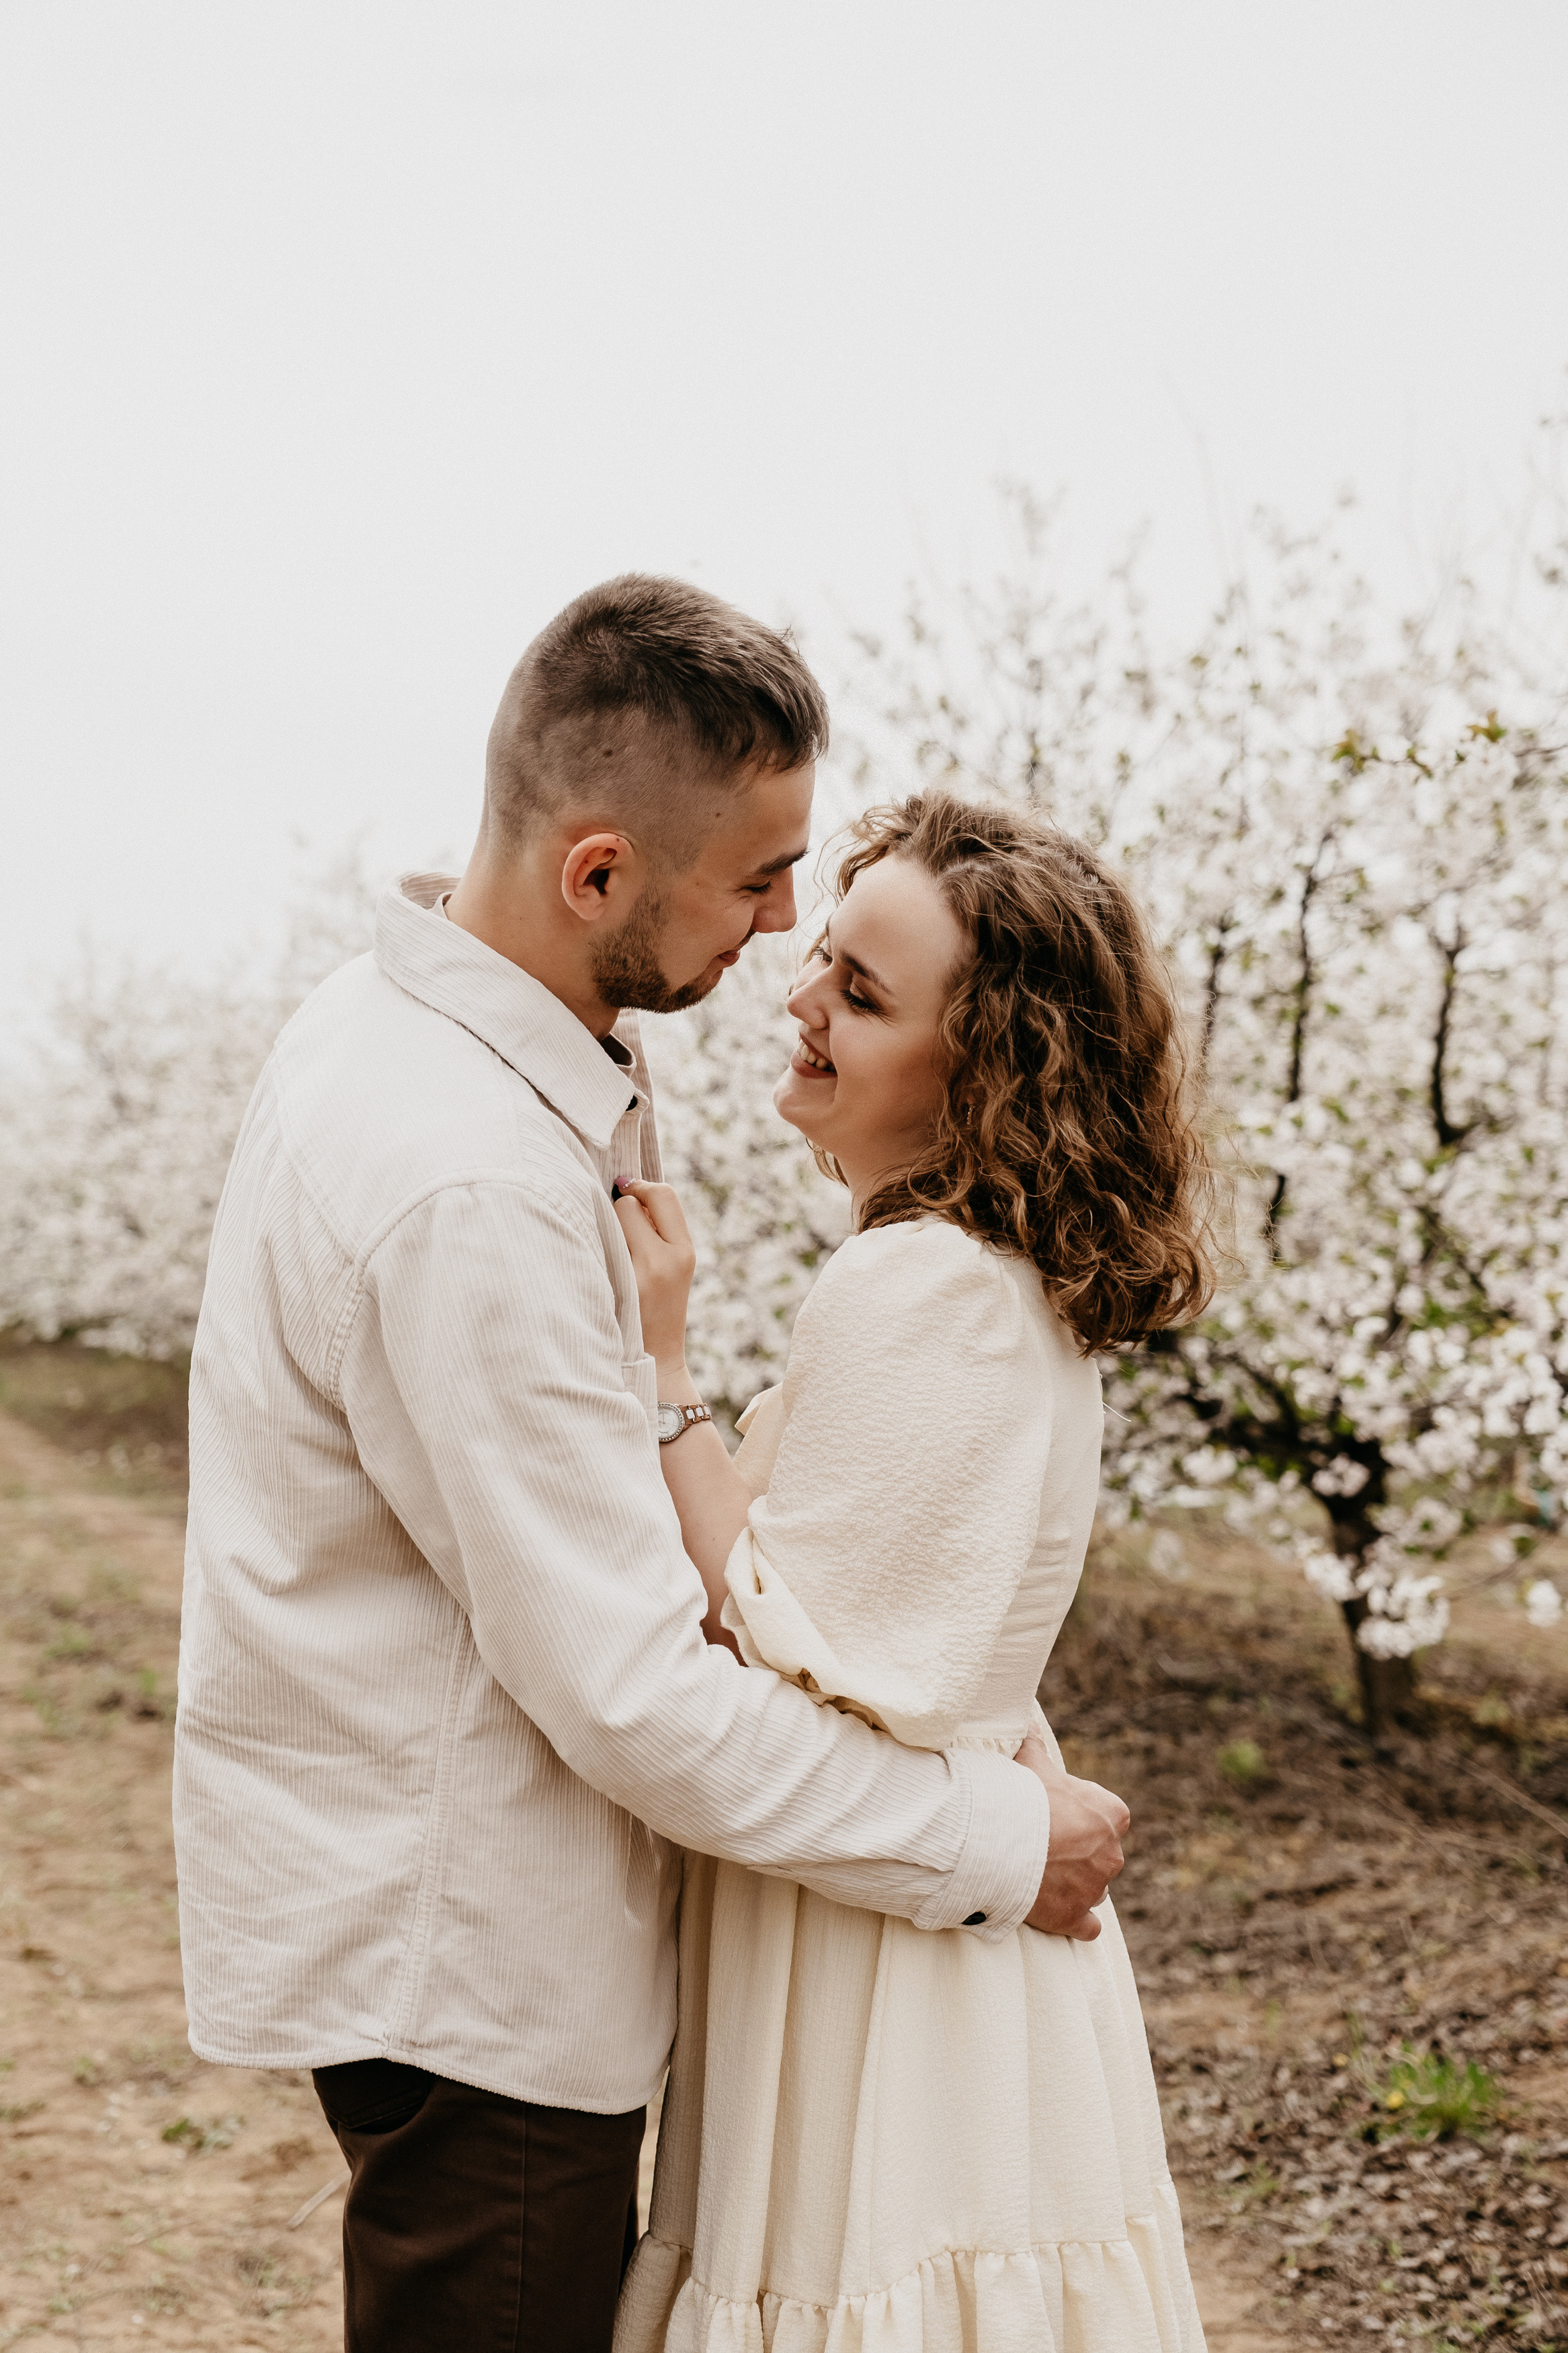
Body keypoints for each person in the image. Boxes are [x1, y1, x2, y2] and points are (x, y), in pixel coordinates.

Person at [171, 578, 1132, 2353]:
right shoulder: (463, 1177)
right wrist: (995, 1836)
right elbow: (633, 1690)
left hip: (475, 1927)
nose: (784, 931)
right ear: (598, 872)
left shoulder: (424, 1036)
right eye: (758, 882)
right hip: (483, 1965)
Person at [612, 789, 1215, 2353]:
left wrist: (664, 1368)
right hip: (934, 1906)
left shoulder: (925, 1284)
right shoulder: (996, 1280)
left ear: (987, 1069)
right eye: (823, 956)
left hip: (881, 1956)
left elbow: (763, 1628)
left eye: (862, 993)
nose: (800, 999)